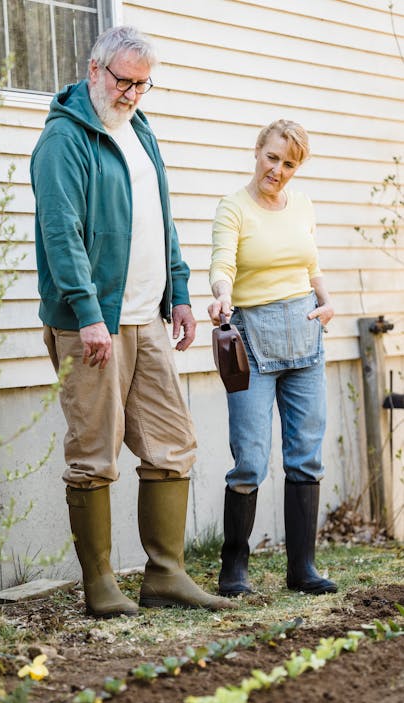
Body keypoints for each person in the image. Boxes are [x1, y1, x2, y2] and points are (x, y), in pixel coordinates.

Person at [31, 25, 235, 618]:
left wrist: (178, 292)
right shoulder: (64, 141)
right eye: (125, 82)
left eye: (145, 85)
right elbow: (60, 235)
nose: (134, 95)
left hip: (148, 318)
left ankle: (165, 575)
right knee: (94, 453)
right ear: (95, 71)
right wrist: (89, 315)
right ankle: (99, 586)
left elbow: (161, 219)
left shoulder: (139, 131)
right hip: (93, 324)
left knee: (173, 444)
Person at [208, 119, 337, 597]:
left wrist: (326, 300)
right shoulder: (233, 208)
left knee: (306, 455)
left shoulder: (301, 204)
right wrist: (222, 295)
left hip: (306, 335)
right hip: (251, 341)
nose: (278, 170)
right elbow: (222, 263)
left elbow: (311, 264)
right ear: (257, 150)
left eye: (289, 164)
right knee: (251, 459)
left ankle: (302, 568)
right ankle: (233, 569)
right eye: (272, 158)